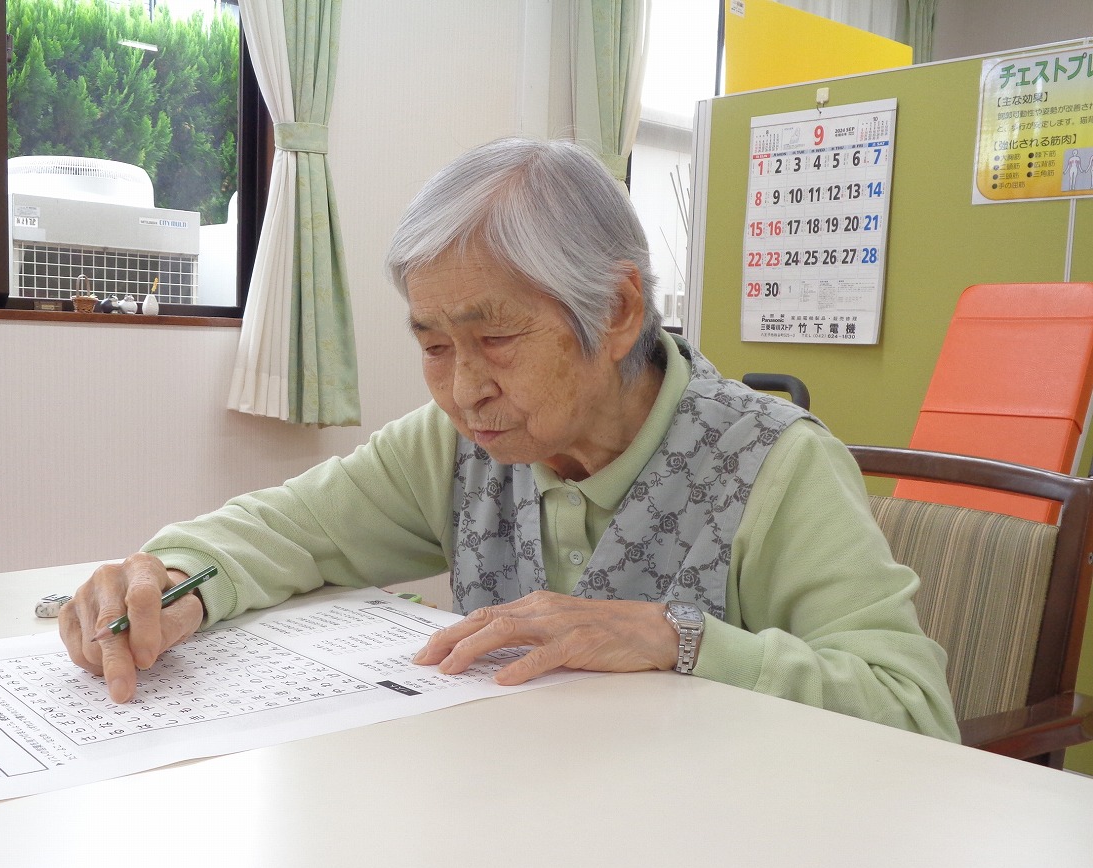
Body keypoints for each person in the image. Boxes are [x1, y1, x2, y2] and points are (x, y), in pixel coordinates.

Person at [60, 137, 959, 741]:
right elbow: (291, 530)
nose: (463, 390)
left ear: (617, 311)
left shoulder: (772, 464)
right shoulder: (459, 445)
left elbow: (914, 710)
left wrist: (678, 638)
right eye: (432, 345)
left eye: (495, 339)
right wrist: (171, 578)